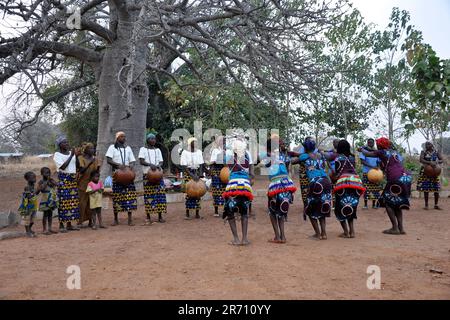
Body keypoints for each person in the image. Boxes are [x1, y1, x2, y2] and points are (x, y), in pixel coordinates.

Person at [359, 137, 411, 235]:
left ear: (380, 145)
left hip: (395, 179)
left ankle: (395, 228)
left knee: (388, 202)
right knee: (397, 202)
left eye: (377, 144)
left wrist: (361, 149)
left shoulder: (381, 152)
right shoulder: (393, 152)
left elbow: (367, 154)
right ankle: (401, 228)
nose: (376, 146)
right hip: (404, 178)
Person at [292, 137, 331, 240]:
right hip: (326, 181)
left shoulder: (304, 156)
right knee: (322, 206)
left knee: (309, 209)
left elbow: (292, 161)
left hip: (315, 182)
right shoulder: (321, 155)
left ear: (305, 148)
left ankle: (318, 234)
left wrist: (296, 155)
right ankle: (324, 233)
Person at [325, 140, 365, 238]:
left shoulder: (337, 157)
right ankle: (352, 232)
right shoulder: (352, 157)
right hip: (356, 182)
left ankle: (346, 232)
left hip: (343, 182)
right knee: (351, 205)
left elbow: (337, 170)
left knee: (339, 207)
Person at [260, 137, 297, 244]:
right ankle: (283, 236)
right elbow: (285, 167)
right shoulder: (283, 156)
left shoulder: (266, 155)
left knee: (272, 212)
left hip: (275, 184)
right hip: (287, 183)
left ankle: (277, 237)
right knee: (281, 212)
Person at [222, 138, 254, 245]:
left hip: (233, 186)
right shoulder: (247, 157)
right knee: (244, 212)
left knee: (230, 212)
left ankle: (236, 239)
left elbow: (226, 169)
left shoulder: (229, 158)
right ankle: (244, 239)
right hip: (245, 186)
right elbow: (251, 174)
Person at [106, 131, 138, 226]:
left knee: (130, 196)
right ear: (117, 138)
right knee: (117, 197)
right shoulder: (112, 148)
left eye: (124, 137)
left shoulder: (128, 148)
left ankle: (130, 219)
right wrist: (118, 165)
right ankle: (116, 219)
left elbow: (132, 161)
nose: (124, 138)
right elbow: (108, 160)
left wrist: (130, 167)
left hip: (127, 174)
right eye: (122, 137)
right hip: (117, 174)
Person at [53, 136, 80, 232]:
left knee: (72, 202)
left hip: (72, 180)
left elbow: (77, 166)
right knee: (63, 202)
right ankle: (61, 225)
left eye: (67, 142)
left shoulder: (71, 154)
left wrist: (76, 156)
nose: (67, 144)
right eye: (64, 142)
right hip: (64, 179)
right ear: (60, 145)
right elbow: (63, 167)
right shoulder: (57, 155)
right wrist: (72, 156)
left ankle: (69, 224)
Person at [139, 133, 167, 225]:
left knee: (160, 196)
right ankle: (148, 216)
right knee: (149, 196)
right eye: (151, 139)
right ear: (147, 140)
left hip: (158, 174)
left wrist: (158, 165)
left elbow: (161, 161)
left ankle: (160, 216)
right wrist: (150, 165)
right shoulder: (143, 149)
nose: (153, 140)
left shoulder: (158, 150)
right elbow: (141, 161)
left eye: (154, 139)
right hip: (148, 175)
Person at [180, 137, 205, 220]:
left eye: (196, 142)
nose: (196, 144)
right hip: (188, 173)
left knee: (198, 192)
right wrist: (191, 175)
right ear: (190, 143)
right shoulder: (184, 152)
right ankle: (187, 213)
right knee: (189, 192)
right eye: (194, 142)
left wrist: (200, 174)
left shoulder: (199, 152)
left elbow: (201, 164)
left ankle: (197, 213)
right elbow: (184, 166)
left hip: (196, 173)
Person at [77, 142, 101, 227]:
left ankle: (91, 221)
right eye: (90, 148)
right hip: (82, 183)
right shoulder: (80, 158)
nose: (92, 150)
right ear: (86, 150)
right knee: (82, 203)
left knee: (91, 202)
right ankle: (80, 221)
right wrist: (90, 163)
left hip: (92, 184)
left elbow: (97, 171)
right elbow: (81, 171)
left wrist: (97, 181)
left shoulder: (96, 159)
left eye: (93, 148)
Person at [417, 141, 444, 210]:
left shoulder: (436, 151)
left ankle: (436, 204)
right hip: (426, 172)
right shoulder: (423, 152)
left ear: (432, 145)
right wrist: (429, 162)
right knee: (426, 188)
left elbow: (441, 159)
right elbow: (421, 159)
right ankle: (426, 205)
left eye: (428, 144)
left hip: (435, 172)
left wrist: (436, 162)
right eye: (426, 144)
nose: (426, 145)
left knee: (436, 189)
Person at [360, 138, 382, 209]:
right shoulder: (363, 151)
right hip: (366, 172)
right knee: (366, 188)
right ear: (367, 143)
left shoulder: (376, 151)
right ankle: (365, 205)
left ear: (374, 143)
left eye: (372, 143)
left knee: (375, 189)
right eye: (369, 142)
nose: (370, 144)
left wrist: (378, 167)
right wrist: (372, 166)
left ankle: (374, 204)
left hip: (375, 173)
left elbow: (379, 162)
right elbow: (362, 161)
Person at [209, 136, 227, 217]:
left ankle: (224, 209)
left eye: (224, 141)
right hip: (216, 171)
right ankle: (216, 211)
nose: (223, 142)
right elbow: (212, 162)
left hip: (224, 171)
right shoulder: (215, 150)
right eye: (222, 140)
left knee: (224, 190)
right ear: (218, 141)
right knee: (216, 191)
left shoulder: (225, 150)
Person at [37, 167, 58, 235]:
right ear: (42, 174)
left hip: (51, 198)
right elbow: (40, 190)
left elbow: (56, 184)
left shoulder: (51, 180)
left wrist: (51, 181)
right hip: (45, 199)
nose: (48, 174)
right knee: (45, 214)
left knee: (50, 214)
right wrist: (46, 182)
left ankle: (50, 228)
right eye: (46, 173)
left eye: (49, 172)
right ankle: (44, 229)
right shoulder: (41, 182)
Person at [18, 172, 38, 237]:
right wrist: (35, 191)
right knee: (27, 219)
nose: (35, 179)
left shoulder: (33, 186)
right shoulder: (27, 187)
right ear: (27, 179)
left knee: (32, 219)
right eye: (33, 178)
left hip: (33, 204)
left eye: (35, 177)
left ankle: (29, 229)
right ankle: (27, 232)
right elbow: (29, 196)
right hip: (27, 205)